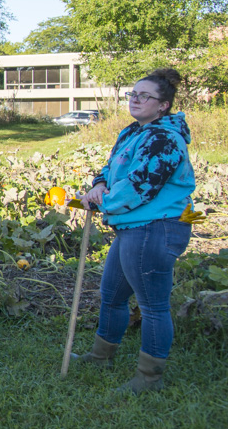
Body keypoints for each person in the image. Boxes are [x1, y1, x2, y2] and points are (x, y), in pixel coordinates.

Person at [74, 68, 195, 393]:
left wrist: (103, 202)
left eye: (145, 96)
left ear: (163, 105)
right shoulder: (132, 132)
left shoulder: (164, 138)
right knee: (112, 295)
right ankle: (101, 357)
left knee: (153, 305)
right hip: (133, 228)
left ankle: (149, 378)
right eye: (133, 94)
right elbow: (111, 166)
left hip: (157, 228)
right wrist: (99, 184)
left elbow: (141, 186)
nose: (136, 100)